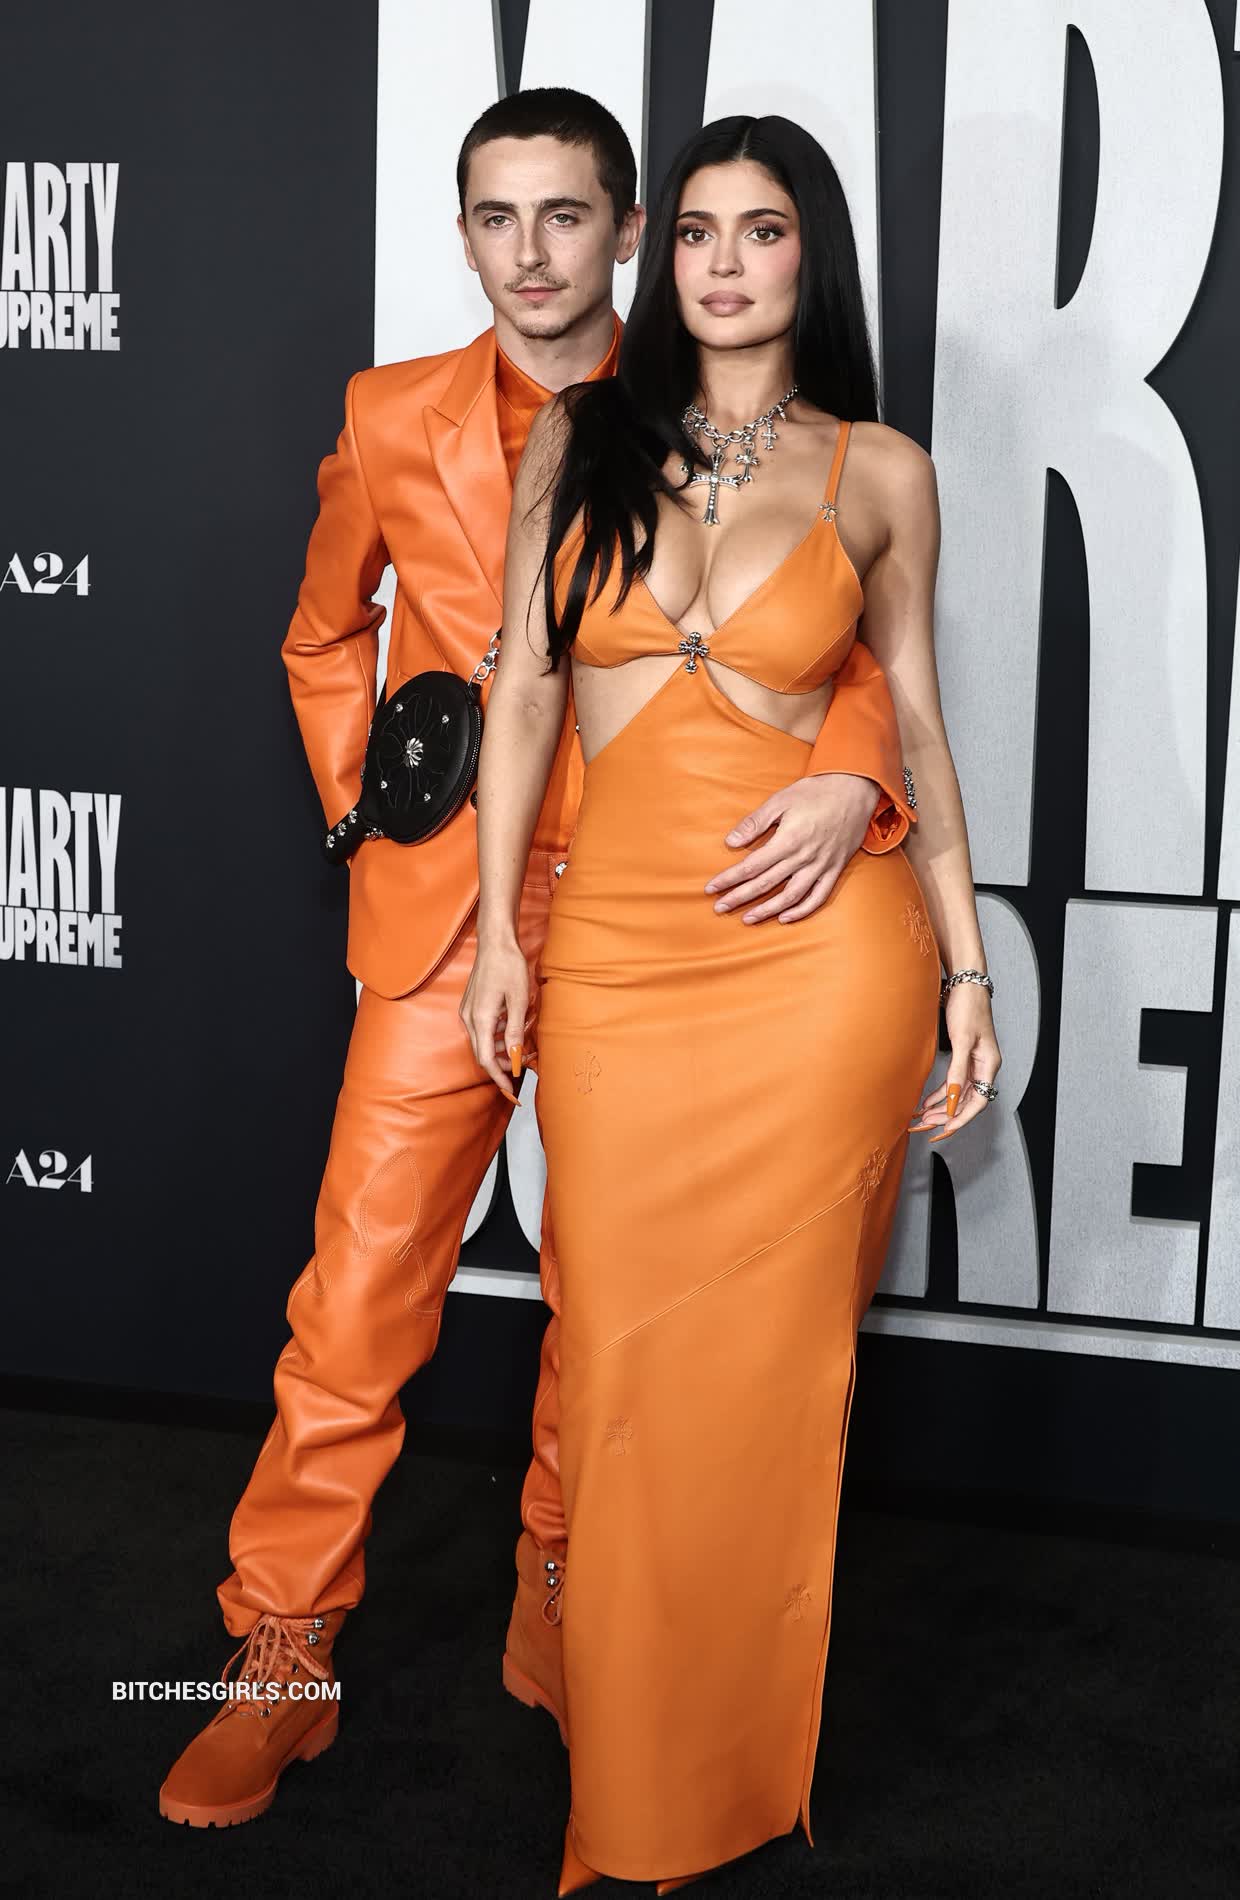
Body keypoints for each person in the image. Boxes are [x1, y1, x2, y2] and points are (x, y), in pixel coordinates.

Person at [157, 89, 919, 1832]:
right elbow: (322, 633)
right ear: (462, 234)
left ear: (629, 232)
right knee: (357, 1297)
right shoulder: (390, 414)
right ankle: (281, 1657)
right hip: (454, 925)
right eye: (496, 217)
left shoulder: (711, 408)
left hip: (675, 920)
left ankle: (567, 1615)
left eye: (566, 214)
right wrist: (375, 815)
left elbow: (844, 631)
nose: (530, 252)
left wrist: (855, 773)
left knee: (614, 1314)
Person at [461, 111, 1001, 1892]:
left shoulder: (881, 471)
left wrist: (969, 970)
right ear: (659, 253)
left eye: (761, 231)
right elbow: (524, 693)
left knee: (767, 1383)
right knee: (619, 1358)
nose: (722, 263)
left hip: (822, 974)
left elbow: (917, 721)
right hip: (621, 959)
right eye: (695, 230)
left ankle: (701, 1783)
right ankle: (623, 1740)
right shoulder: (578, 436)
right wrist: (501, 934)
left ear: (808, 256)